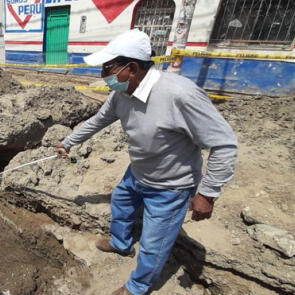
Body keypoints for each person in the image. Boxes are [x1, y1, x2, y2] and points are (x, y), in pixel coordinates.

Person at [55, 30, 237, 295]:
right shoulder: (121, 94)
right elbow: (98, 121)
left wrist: (208, 193)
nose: (103, 75)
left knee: (155, 243)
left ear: (131, 68)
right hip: (138, 172)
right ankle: (121, 243)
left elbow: (224, 144)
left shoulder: (179, 94)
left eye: (108, 68)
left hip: (171, 185)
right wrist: (69, 141)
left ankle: (137, 287)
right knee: (121, 201)